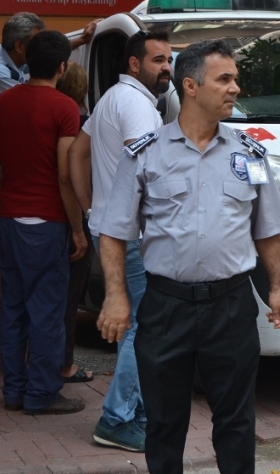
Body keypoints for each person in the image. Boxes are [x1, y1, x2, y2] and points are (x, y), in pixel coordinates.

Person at [97, 39, 280, 474]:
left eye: (236, 79)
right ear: (190, 86)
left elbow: (268, 228)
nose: (235, 88)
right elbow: (113, 231)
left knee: (237, 421)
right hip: (167, 307)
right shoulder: (146, 154)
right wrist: (116, 296)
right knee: (165, 424)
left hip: (231, 304)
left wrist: (278, 287)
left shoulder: (250, 154)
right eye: (224, 79)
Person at [69, 30, 172, 452]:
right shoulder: (135, 107)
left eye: (169, 60)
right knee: (142, 329)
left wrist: (91, 205)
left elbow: (77, 152)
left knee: (138, 325)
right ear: (134, 64)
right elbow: (147, 170)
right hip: (133, 235)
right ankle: (116, 418)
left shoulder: (114, 98)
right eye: (157, 60)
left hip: (112, 227)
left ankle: (134, 411)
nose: (166, 68)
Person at [0, 30, 88, 415]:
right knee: (47, 313)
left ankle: (14, 390)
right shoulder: (65, 108)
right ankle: (42, 393)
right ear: (63, 66)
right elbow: (65, 175)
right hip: (48, 222)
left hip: (11, 217)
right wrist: (77, 228)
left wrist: (3, 206)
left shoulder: (4, 102)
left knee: (12, 308)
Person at [55, 61, 93, 387]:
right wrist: (81, 224)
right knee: (69, 298)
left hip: (27, 218)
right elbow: (70, 176)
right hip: (71, 217)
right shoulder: (80, 124)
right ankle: (64, 363)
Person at [0, 13, 96, 104]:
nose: (42, 46)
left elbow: (50, 51)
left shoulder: (14, 53)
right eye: (38, 42)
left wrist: (82, 40)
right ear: (19, 46)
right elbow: (31, 101)